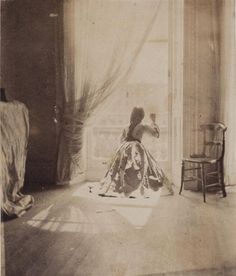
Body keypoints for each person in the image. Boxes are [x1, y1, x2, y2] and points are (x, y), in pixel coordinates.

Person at [99, 107, 174, 198]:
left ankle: (123, 188)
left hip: (124, 147)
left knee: (121, 168)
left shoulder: (127, 126)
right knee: (142, 167)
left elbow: (121, 140)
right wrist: (153, 121)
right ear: (141, 116)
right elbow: (156, 134)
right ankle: (137, 190)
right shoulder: (142, 126)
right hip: (137, 148)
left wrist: (122, 150)